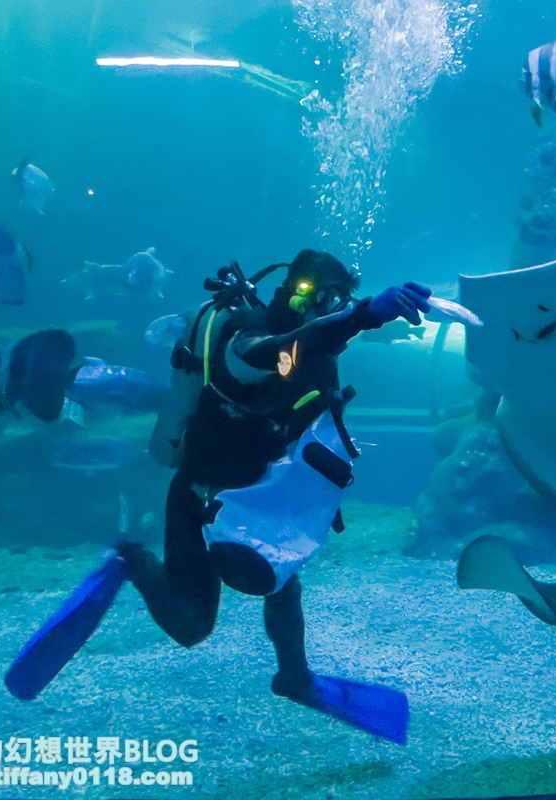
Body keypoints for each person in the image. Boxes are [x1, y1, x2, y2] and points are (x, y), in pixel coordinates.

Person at [120, 250, 431, 743]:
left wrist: (370, 321)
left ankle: (294, 676)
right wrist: (366, 313)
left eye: (342, 299)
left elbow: (313, 368)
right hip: (202, 499)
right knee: (193, 627)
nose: (333, 308)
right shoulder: (247, 336)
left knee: (282, 578)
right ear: (300, 294)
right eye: (326, 298)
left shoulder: (313, 353)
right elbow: (288, 348)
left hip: (259, 500)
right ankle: (131, 560)